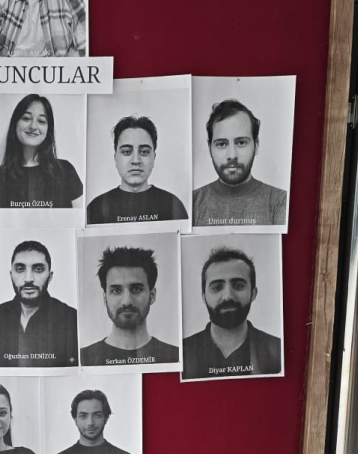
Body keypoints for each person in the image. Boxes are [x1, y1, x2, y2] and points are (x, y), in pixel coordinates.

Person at [182, 245, 282, 379]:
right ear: (204, 297)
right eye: (217, 287)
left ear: (253, 293)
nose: (228, 296)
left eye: (238, 286)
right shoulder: (182, 352)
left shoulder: (278, 350)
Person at [0, 240, 78, 369]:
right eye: (20, 269)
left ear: (50, 276)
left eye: (38, 269)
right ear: (11, 275)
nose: (28, 279)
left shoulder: (70, 318)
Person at [192, 99, 288, 227]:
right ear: (210, 148)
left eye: (241, 142)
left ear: (256, 145)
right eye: (222, 144)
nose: (232, 155)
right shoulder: (193, 202)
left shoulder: (280, 201)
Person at [81, 246, 178, 367]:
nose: (127, 301)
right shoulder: (84, 359)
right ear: (105, 298)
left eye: (136, 289)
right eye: (116, 291)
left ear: (152, 295)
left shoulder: (175, 356)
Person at [0, 94, 83, 210]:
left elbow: (82, 218)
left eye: (41, 121)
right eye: (26, 118)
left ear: (48, 129)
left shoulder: (66, 170)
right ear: (15, 124)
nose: (33, 126)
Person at [86, 116, 188, 225]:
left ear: (154, 158)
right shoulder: (96, 207)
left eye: (144, 152)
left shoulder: (172, 205)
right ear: (115, 158)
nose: (136, 160)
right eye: (126, 152)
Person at [45, 389, 140, 454]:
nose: (90, 422)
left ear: (106, 418)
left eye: (97, 415)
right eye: (83, 416)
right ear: (75, 419)